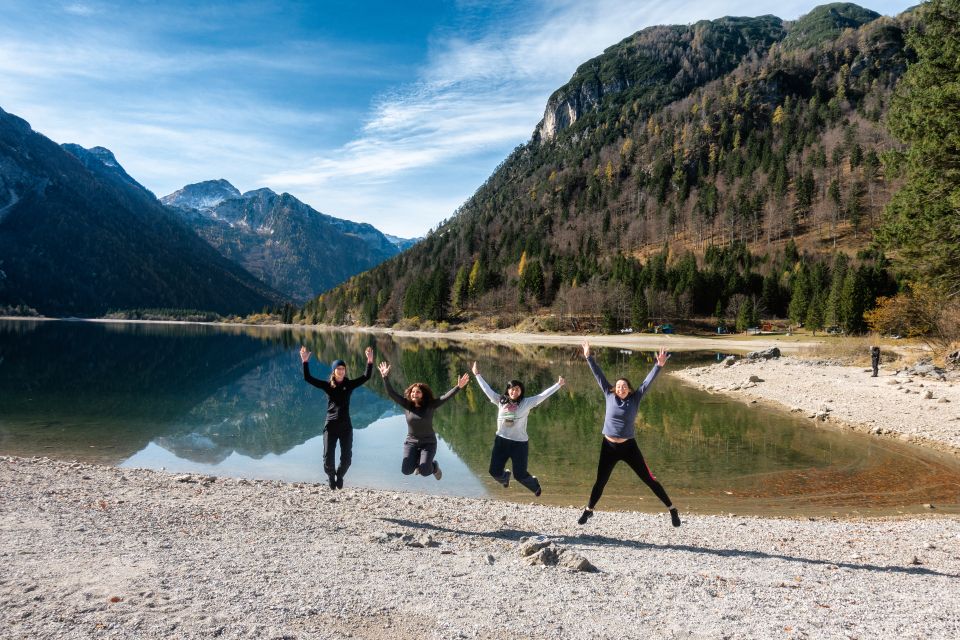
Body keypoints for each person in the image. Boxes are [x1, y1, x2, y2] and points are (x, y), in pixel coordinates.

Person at [578, 341, 680, 528]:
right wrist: (588, 356)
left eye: (624, 386)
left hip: (628, 447)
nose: (620, 388)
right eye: (618, 386)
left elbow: (647, 382)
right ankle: (588, 510)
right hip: (608, 446)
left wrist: (659, 365)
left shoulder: (636, 397)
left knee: (649, 479)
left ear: (630, 389)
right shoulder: (609, 395)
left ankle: (672, 509)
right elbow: (598, 375)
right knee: (600, 482)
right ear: (614, 389)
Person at [472, 361, 565, 496]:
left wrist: (558, 385)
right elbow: (487, 390)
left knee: (520, 475)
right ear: (508, 390)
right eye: (511, 388)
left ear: (521, 391)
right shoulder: (501, 400)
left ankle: (535, 486)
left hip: (519, 444)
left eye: (517, 389)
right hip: (501, 441)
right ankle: (504, 477)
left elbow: (542, 395)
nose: (514, 391)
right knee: (494, 471)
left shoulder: (526, 403)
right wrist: (477, 375)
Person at [378, 361, 469, 480]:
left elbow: (446, 397)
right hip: (411, 442)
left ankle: (434, 466)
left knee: (425, 471)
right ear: (410, 394)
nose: (415, 393)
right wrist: (385, 377)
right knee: (406, 471)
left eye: (418, 392)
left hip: (428, 443)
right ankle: (418, 463)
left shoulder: (430, 405)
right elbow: (391, 393)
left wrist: (458, 387)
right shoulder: (407, 405)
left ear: (422, 395)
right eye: (413, 392)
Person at [300, 344, 374, 490]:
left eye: (343, 369)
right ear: (334, 371)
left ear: (345, 371)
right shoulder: (328, 386)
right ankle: (330, 475)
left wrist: (370, 361)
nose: (341, 371)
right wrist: (304, 361)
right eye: (338, 369)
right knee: (328, 456)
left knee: (347, 459)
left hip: (346, 426)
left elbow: (366, 376)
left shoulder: (349, 384)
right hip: (331, 425)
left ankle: (340, 475)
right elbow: (308, 378)